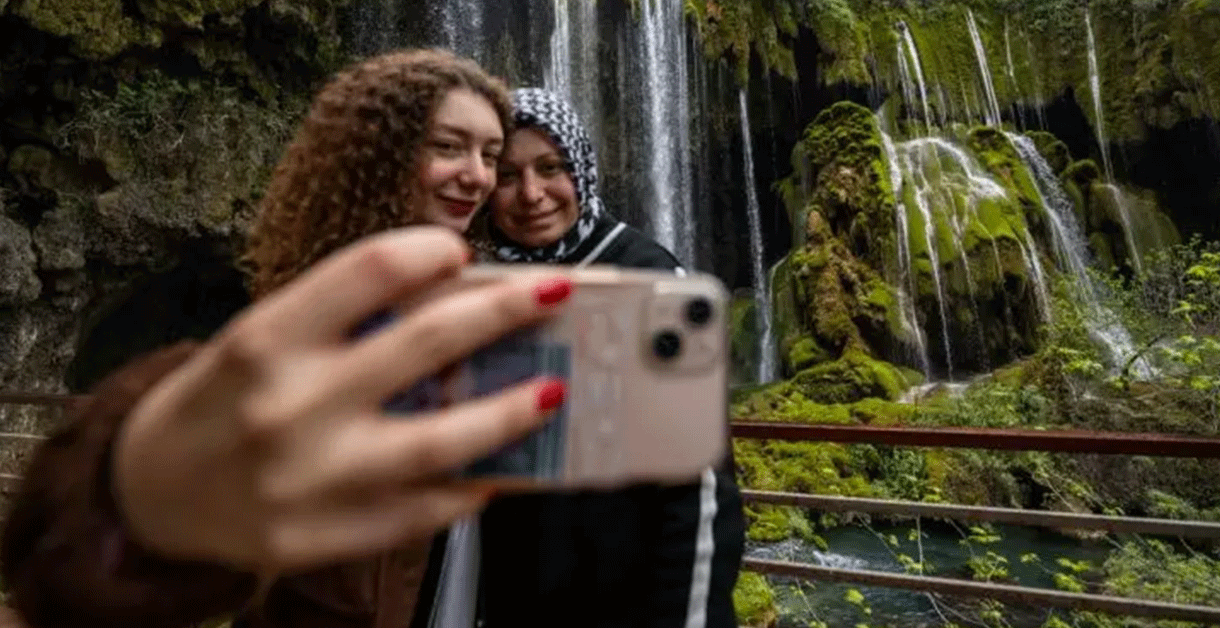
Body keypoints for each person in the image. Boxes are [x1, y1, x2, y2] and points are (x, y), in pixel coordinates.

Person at [0, 49, 578, 628]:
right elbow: (66, 551)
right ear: (379, 153)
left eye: (490, 156)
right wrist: (131, 496)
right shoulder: (294, 320)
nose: (477, 175)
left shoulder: (487, 301)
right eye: (448, 147)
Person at [475, 87, 746, 628]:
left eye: (550, 168)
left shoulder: (646, 277)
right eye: (507, 175)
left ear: (580, 170)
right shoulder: (486, 286)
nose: (531, 194)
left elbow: (700, 488)